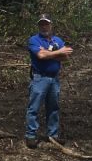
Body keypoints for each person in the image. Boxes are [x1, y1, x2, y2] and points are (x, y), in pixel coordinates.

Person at [25, 14, 74, 149]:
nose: (44, 26)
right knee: (34, 107)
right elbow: (40, 55)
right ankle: (30, 135)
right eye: (41, 24)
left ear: (51, 25)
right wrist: (57, 52)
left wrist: (49, 54)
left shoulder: (57, 40)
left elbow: (65, 58)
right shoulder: (34, 40)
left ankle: (53, 135)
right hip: (39, 78)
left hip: (54, 78)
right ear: (38, 26)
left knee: (53, 108)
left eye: (46, 23)